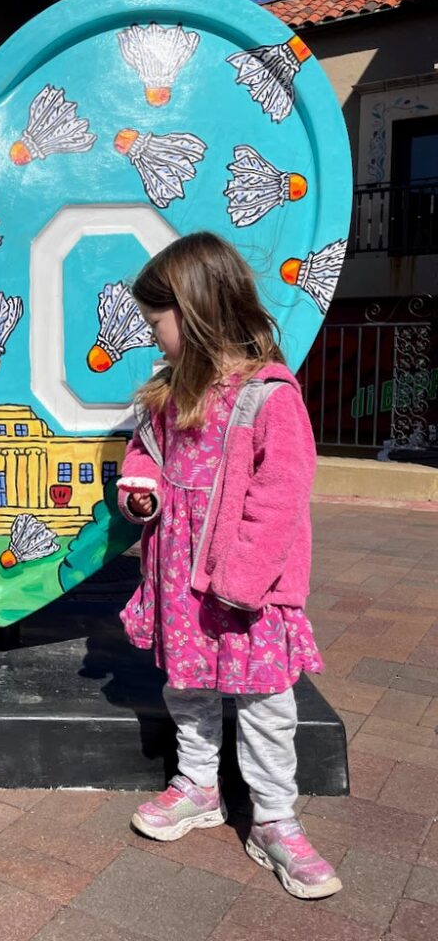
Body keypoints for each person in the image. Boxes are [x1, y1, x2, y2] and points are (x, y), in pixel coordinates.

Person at [116, 230, 341, 900]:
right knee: (187, 688)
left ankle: (275, 819)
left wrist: (244, 580)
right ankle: (198, 786)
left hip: (246, 586)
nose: (153, 337)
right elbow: (144, 455)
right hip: (179, 578)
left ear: (195, 309)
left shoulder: (269, 397)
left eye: (157, 323)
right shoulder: (166, 393)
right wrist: (140, 486)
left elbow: (280, 498)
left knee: (268, 700)